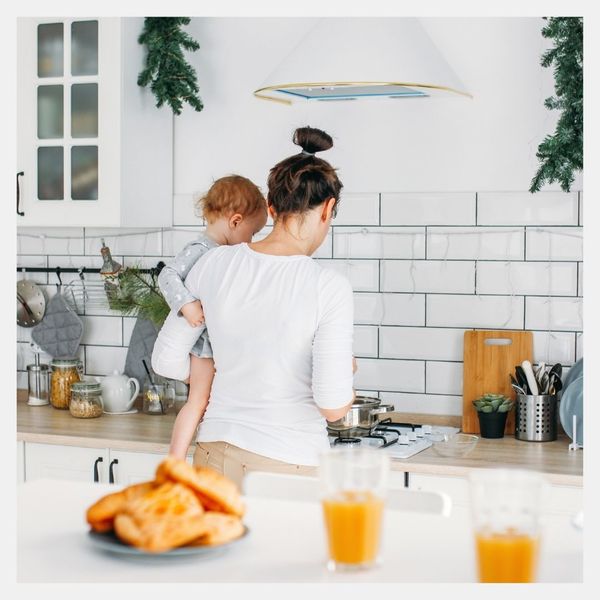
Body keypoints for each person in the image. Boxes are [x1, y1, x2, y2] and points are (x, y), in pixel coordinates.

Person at [166, 126, 355, 488]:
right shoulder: (328, 286)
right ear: (328, 210)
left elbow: (168, 359)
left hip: (214, 454)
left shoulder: (213, 263)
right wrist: (345, 371)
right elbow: (333, 406)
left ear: (270, 209)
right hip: (289, 465)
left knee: (217, 546)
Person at [151, 175, 268, 459]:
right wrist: (186, 305)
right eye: (252, 234)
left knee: (213, 401)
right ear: (235, 221)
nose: (250, 242)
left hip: (222, 343)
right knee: (198, 401)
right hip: (205, 345)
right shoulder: (201, 250)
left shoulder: (227, 255)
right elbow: (166, 275)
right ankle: (175, 458)